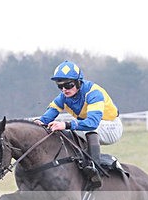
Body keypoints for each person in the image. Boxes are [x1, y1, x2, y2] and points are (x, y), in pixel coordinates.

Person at [34, 60, 123, 188]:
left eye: (68, 85)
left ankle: (95, 170)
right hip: (94, 126)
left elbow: (92, 123)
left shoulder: (93, 93)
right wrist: (40, 122)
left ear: (78, 82)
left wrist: (66, 124)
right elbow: (49, 114)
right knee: (63, 131)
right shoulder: (63, 97)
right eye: (60, 86)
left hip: (111, 126)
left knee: (79, 129)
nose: (64, 90)